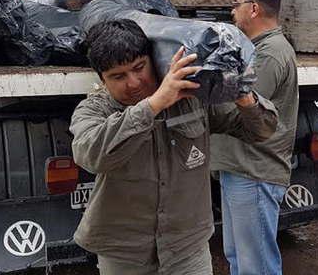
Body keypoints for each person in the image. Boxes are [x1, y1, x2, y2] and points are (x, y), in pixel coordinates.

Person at [70, 19, 278, 275]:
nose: (134, 83)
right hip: (124, 253)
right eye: (118, 76)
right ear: (102, 79)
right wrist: (154, 105)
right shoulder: (94, 109)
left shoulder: (193, 98)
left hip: (188, 248)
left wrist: (243, 94)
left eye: (139, 68)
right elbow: (91, 154)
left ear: (153, 60)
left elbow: (261, 131)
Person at [210, 0, 298, 275]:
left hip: (255, 170)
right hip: (241, 167)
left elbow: (245, 111)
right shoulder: (255, 48)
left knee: (256, 265)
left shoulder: (269, 53)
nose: (232, 13)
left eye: (236, 5)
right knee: (238, 257)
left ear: (254, 8)